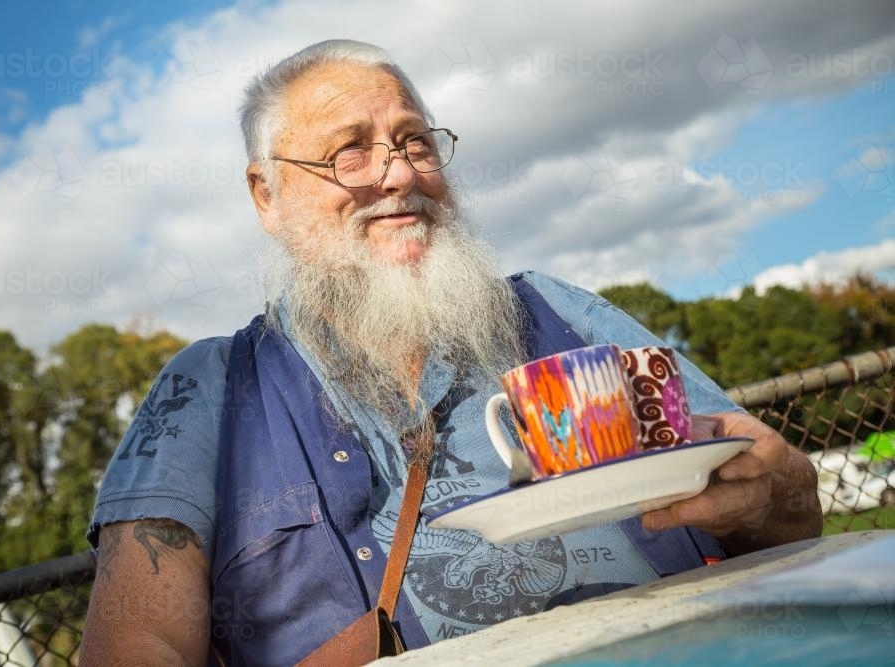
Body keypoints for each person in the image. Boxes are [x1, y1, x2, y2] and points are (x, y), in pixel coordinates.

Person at [79, 40, 822, 666]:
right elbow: (134, 644)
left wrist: (767, 489)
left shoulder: (556, 309)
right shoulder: (206, 390)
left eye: (415, 142)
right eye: (350, 153)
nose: (399, 174)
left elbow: (794, 512)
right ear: (265, 194)